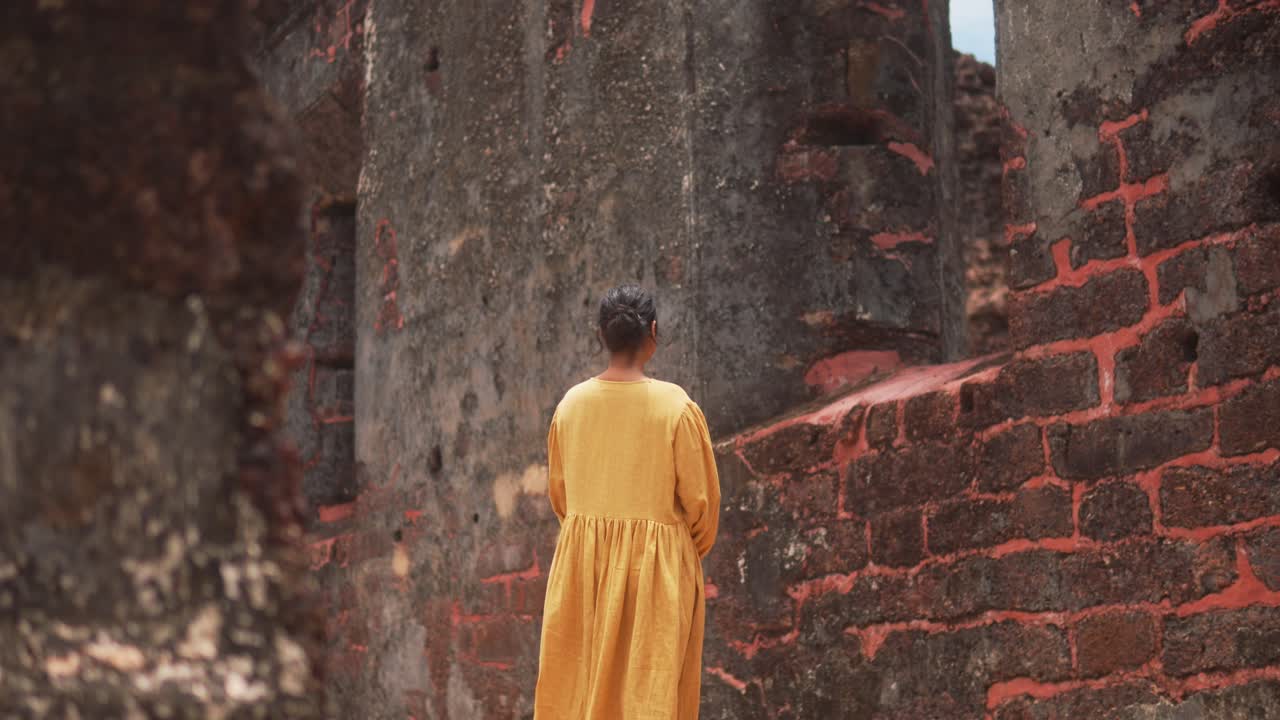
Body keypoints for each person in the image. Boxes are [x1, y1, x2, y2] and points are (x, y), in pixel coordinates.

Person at [533, 284, 721, 720]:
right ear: (652, 332)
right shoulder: (676, 407)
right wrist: (670, 551)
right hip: (657, 574)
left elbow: (562, 498)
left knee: (577, 692)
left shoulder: (571, 406)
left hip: (581, 570)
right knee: (649, 697)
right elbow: (702, 508)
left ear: (602, 335)